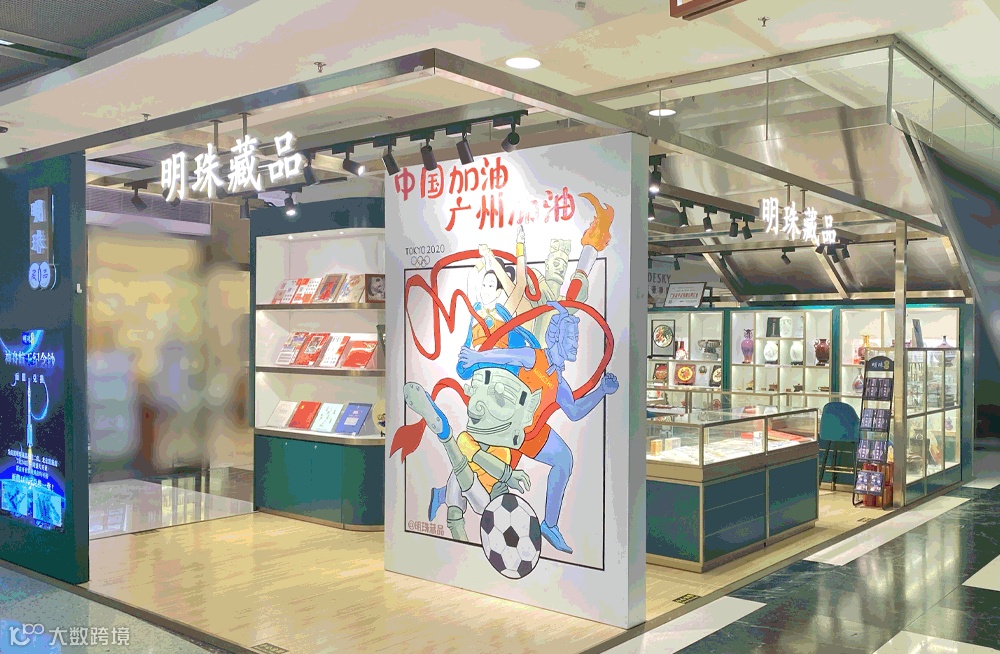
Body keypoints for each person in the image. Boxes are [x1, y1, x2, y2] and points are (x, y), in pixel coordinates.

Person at [454, 301, 618, 554]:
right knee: (484, 482)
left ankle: (549, 526)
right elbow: (506, 356)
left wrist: (601, 391)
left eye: (576, 339)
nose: (576, 344)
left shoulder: (559, 381)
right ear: (557, 337)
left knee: (564, 459)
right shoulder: (535, 357)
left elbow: (574, 412)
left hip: (531, 434)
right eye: (571, 337)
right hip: (506, 430)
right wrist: (478, 357)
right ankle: (445, 494)